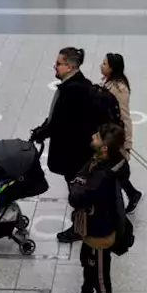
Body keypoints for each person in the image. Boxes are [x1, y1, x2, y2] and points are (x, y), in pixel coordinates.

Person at [63, 123, 127, 293]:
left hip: (100, 231)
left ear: (105, 148)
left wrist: (78, 183)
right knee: (87, 264)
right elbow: (82, 173)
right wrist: (80, 180)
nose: (93, 137)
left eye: (97, 137)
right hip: (92, 226)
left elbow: (77, 197)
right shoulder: (104, 160)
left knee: (100, 275)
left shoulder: (102, 176)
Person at [30, 47, 93, 243]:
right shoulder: (77, 84)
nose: (54, 66)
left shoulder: (72, 91)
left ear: (70, 66)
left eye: (58, 63)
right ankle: (83, 221)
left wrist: (43, 132)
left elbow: (61, 122)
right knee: (77, 187)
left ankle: (80, 228)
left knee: (78, 190)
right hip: (78, 149)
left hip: (75, 152)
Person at [100, 53, 141, 213]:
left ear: (111, 68)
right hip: (107, 133)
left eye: (104, 64)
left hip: (115, 137)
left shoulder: (119, 89)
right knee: (115, 168)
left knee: (115, 168)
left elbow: (125, 117)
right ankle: (132, 193)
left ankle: (131, 194)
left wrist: (127, 142)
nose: (101, 66)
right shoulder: (109, 83)